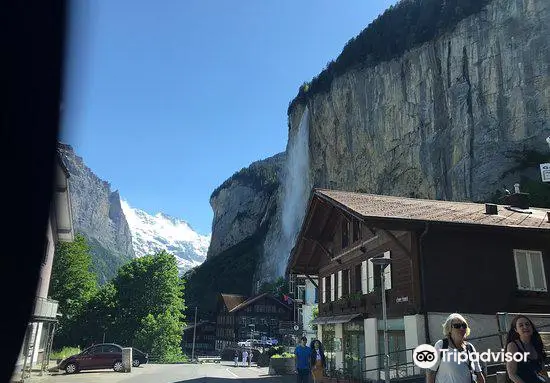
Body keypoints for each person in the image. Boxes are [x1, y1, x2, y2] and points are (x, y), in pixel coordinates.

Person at [427, 313, 485, 383]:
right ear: (449, 329)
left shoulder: (470, 348)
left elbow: (479, 375)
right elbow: (431, 373)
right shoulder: (441, 345)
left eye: (464, 326)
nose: (461, 328)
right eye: (457, 326)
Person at [506, 315, 548, 383]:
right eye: (521, 325)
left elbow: (543, 370)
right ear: (516, 330)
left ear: (532, 327)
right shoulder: (513, 346)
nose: (525, 327)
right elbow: (512, 374)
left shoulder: (536, 344)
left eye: (527, 324)